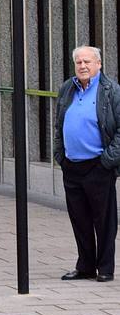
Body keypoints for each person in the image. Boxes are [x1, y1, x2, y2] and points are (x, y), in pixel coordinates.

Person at [54, 45, 120, 282]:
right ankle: (85, 266)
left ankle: (105, 268)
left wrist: (107, 161)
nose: (82, 66)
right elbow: (58, 123)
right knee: (79, 219)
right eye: (79, 62)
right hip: (72, 166)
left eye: (87, 62)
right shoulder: (67, 88)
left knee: (103, 221)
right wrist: (59, 154)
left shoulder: (111, 91)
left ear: (99, 64)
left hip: (98, 166)